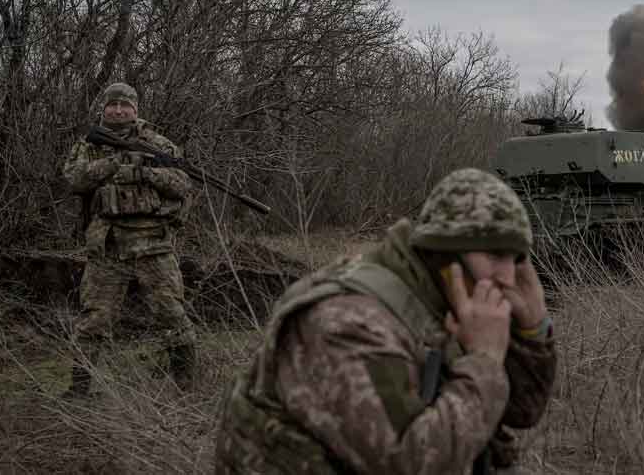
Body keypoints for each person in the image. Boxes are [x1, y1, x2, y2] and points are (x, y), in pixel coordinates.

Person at [214, 168, 557, 474]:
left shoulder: (446, 301)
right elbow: (409, 464)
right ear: (445, 252)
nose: (508, 277)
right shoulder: (348, 322)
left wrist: (532, 328)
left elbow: (519, 411)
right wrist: (484, 361)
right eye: (495, 255)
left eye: (515, 259)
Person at [61, 82, 197, 395]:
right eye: (113, 105)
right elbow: (74, 180)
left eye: (126, 105)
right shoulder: (89, 144)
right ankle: (78, 391)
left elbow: (182, 184)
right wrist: (115, 163)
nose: (119, 110)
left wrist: (145, 173)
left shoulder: (157, 143)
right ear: (104, 108)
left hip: (154, 244)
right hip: (108, 246)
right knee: (94, 320)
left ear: (135, 109)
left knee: (172, 315)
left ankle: (186, 387)